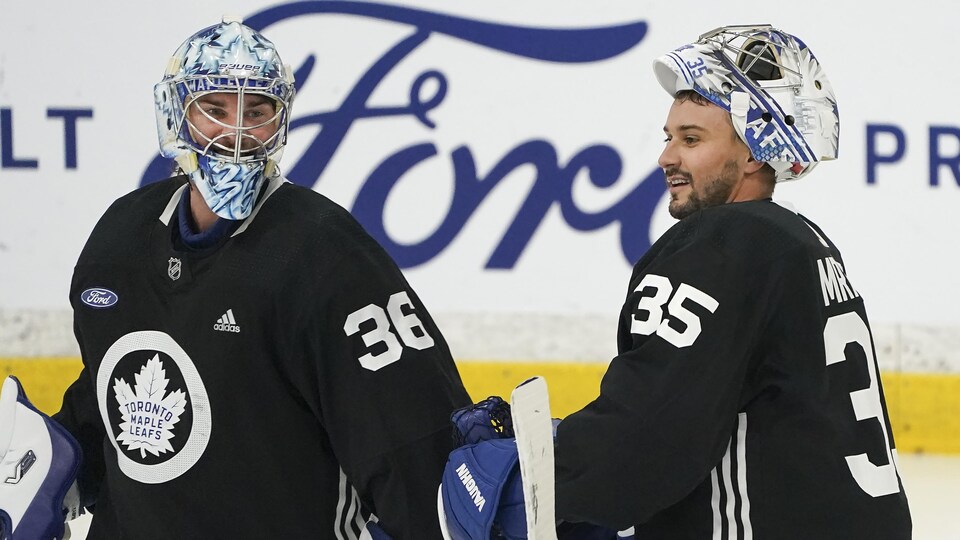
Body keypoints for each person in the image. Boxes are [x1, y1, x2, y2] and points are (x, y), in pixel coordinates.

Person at [0, 16, 471, 539]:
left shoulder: (328, 257)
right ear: (176, 114)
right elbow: (113, 405)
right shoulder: (120, 241)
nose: (237, 132)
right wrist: (50, 467)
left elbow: (414, 442)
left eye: (258, 110)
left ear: (281, 121)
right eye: (214, 109)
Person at [440, 25, 912, 539]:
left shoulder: (723, 244)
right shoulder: (802, 244)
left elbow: (643, 442)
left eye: (691, 139)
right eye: (670, 138)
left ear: (754, 152)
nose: (667, 157)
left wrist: (533, 475)